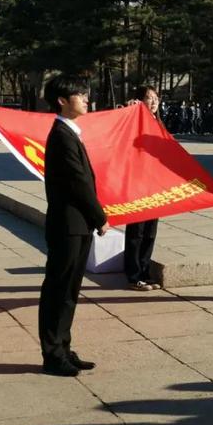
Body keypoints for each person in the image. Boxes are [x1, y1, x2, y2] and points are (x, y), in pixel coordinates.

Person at [38, 75, 108, 376]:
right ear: (62, 101)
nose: (86, 98)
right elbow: (78, 182)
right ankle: (52, 354)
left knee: (70, 291)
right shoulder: (62, 135)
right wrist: (100, 217)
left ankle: (63, 347)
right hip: (67, 224)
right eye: (80, 94)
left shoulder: (70, 132)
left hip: (78, 224)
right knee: (59, 290)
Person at [124, 86, 163, 291]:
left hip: (154, 185)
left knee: (150, 232)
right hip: (137, 185)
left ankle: (145, 272)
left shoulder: (159, 123)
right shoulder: (134, 121)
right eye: (148, 98)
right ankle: (133, 275)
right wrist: (129, 111)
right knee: (136, 232)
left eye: (156, 98)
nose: (153, 101)